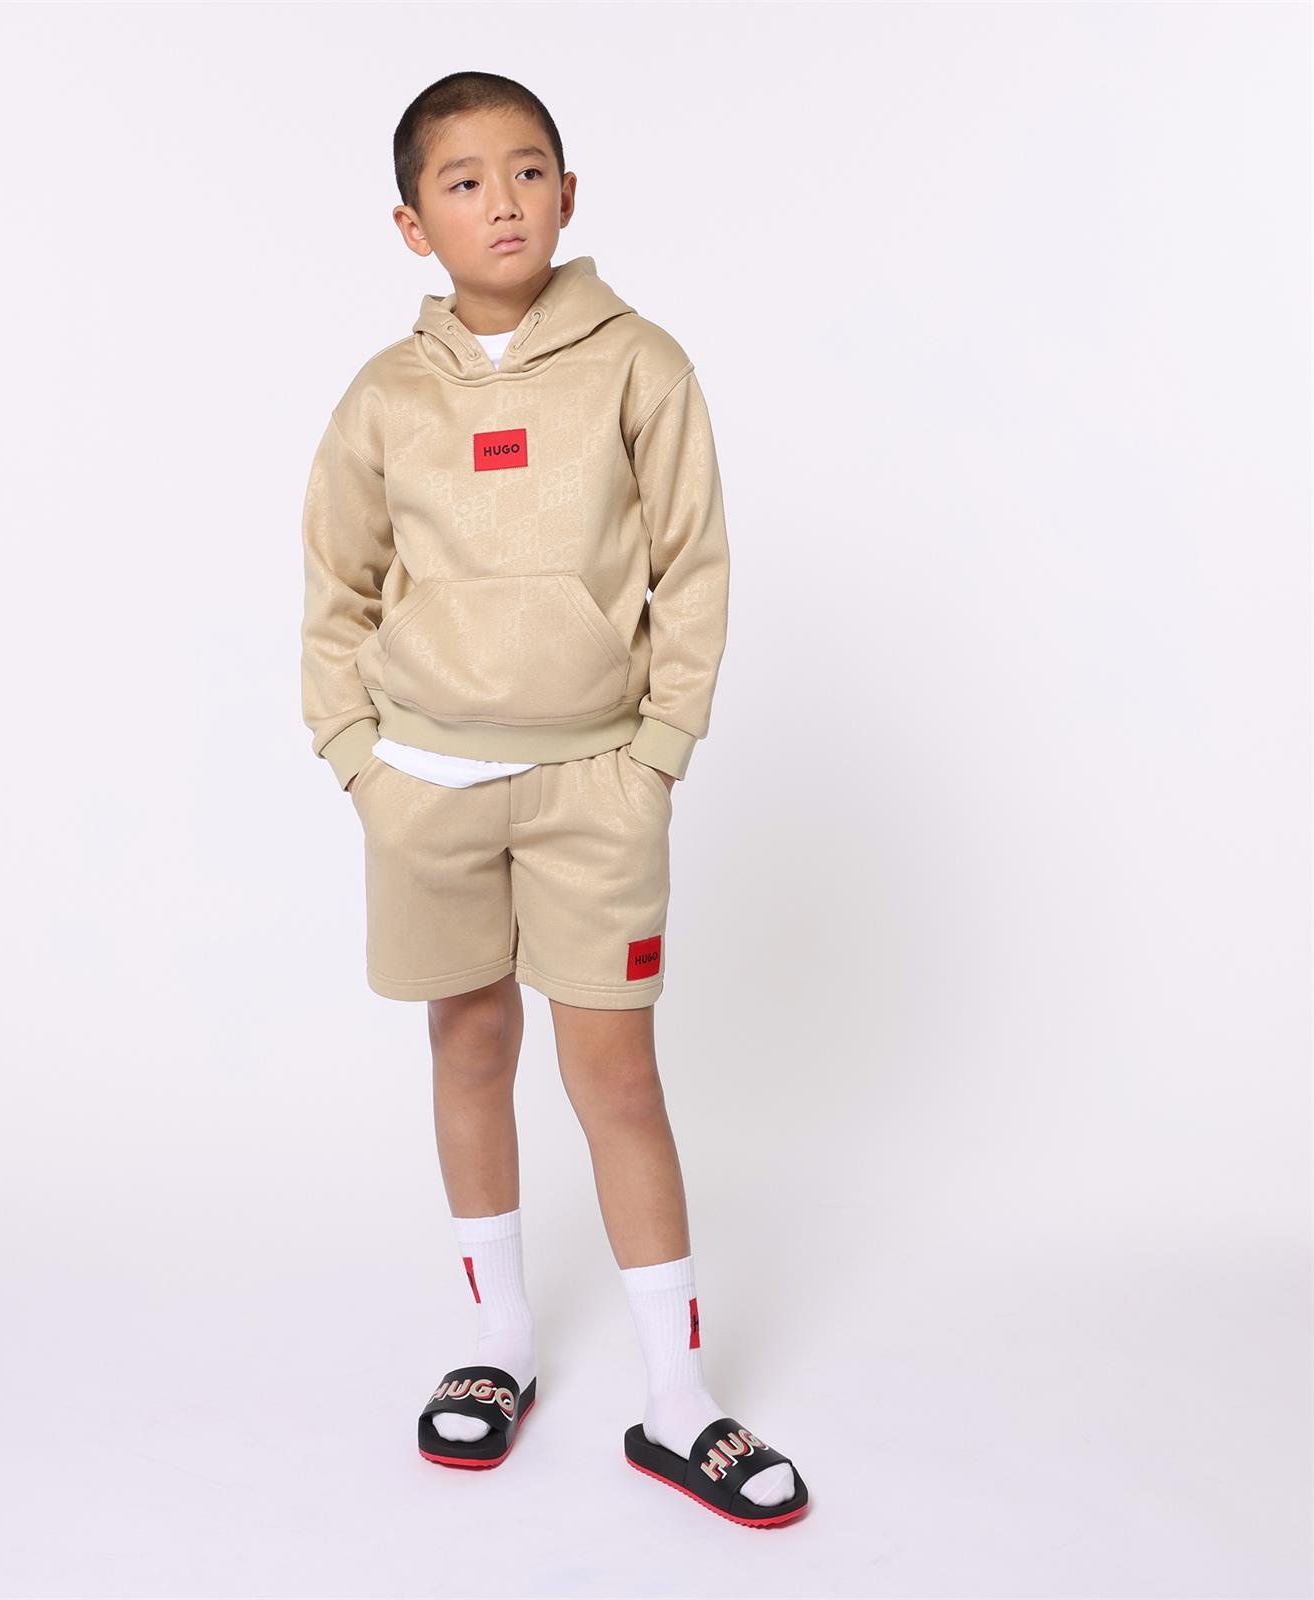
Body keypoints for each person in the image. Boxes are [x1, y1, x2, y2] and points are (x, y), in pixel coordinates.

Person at [298, 70, 808, 1529]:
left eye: (527, 171)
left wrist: (657, 751)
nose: (502, 201)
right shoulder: (383, 395)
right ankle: (498, 1345)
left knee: (616, 1075)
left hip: (596, 781)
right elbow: (334, 585)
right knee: (469, 1047)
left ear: (570, 195)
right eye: (463, 182)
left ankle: (680, 1399)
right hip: (426, 784)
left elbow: (694, 565)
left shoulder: (641, 364)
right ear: (414, 224)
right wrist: (359, 759)